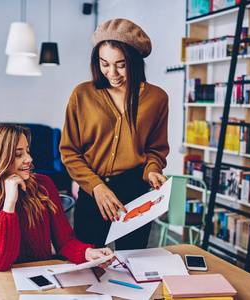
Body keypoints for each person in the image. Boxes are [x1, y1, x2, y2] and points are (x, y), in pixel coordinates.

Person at [60, 18, 170, 250]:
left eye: (121, 64)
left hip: (136, 193)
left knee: (134, 262)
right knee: (87, 264)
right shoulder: (82, 95)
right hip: (93, 191)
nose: (112, 72)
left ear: (135, 61)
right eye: (104, 63)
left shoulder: (157, 98)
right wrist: (96, 187)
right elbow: (69, 151)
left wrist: (152, 171)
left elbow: (155, 150)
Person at [0, 123, 115, 271]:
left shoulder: (44, 186)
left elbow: (65, 241)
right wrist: (9, 204)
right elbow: (0, 262)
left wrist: (87, 253)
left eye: (27, 151)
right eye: (19, 154)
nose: (29, 159)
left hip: (37, 276)